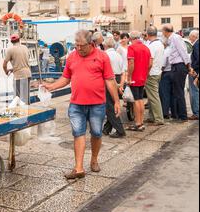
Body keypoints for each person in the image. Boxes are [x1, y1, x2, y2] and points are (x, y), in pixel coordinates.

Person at [43, 30, 121, 180]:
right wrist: (51, 86)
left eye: (82, 46)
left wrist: (116, 101)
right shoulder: (72, 57)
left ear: (91, 44)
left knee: (96, 133)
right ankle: (78, 168)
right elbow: (66, 78)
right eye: (76, 45)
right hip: (76, 104)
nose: (78, 48)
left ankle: (94, 160)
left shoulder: (102, 56)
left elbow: (110, 80)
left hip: (97, 104)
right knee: (78, 134)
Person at [162, 24, 191, 122]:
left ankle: (183, 116)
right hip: (175, 67)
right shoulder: (171, 39)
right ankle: (178, 115)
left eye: (163, 31)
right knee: (176, 92)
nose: (162, 33)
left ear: (166, 31)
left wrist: (188, 66)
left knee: (179, 92)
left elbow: (183, 52)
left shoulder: (175, 38)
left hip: (179, 66)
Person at [127, 31, 153, 131]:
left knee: (136, 100)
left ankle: (138, 123)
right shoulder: (146, 47)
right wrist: (146, 73)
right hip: (143, 76)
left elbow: (131, 63)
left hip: (135, 77)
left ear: (131, 38)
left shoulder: (131, 47)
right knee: (141, 99)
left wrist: (129, 77)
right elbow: (150, 63)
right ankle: (141, 122)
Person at [103, 37, 126, 138]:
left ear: (105, 45)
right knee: (112, 104)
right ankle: (106, 129)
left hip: (109, 79)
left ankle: (120, 130)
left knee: (109, 106)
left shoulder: (105, 55)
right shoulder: (118, 55)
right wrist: (120, 84)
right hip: (116, 77)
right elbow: (122, 71)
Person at [145, 26, 166, 126]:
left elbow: (150, 62)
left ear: (148, 35)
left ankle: (158, 119)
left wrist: (146, 72)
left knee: (153, 97)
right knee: (151, 96)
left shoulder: (151, 46)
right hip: (158, 71)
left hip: (152, 73)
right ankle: (152, 116)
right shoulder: (160, 44)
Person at [3, 34, 32, 104]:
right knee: (26, 96)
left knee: (17, 98)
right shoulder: (25, 48)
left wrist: (6, 71)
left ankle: (21, 113)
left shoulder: (10, 50)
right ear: (19, 40)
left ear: (11, 42)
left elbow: (4, 65)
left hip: (19, 76)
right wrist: (13, 69)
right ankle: (28, 111)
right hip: (28, 74)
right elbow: (22, 63)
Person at [160, 40, 175, 119]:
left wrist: (160, 72)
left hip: (166, 73)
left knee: (165, 94)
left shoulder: (166, 51)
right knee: (172, 94)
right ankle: (174, 112)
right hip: (173, 72)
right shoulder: (173, 50)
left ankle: (165, 112)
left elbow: (163, 64)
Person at [188, 30, 199, 120]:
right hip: (196, 71)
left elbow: (198, 59)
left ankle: (196, 113)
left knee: (194, 92)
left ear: (194, 37)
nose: (189, 38)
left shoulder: (196, 45)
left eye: (190, 36)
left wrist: (193, 69)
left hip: (195, 72)